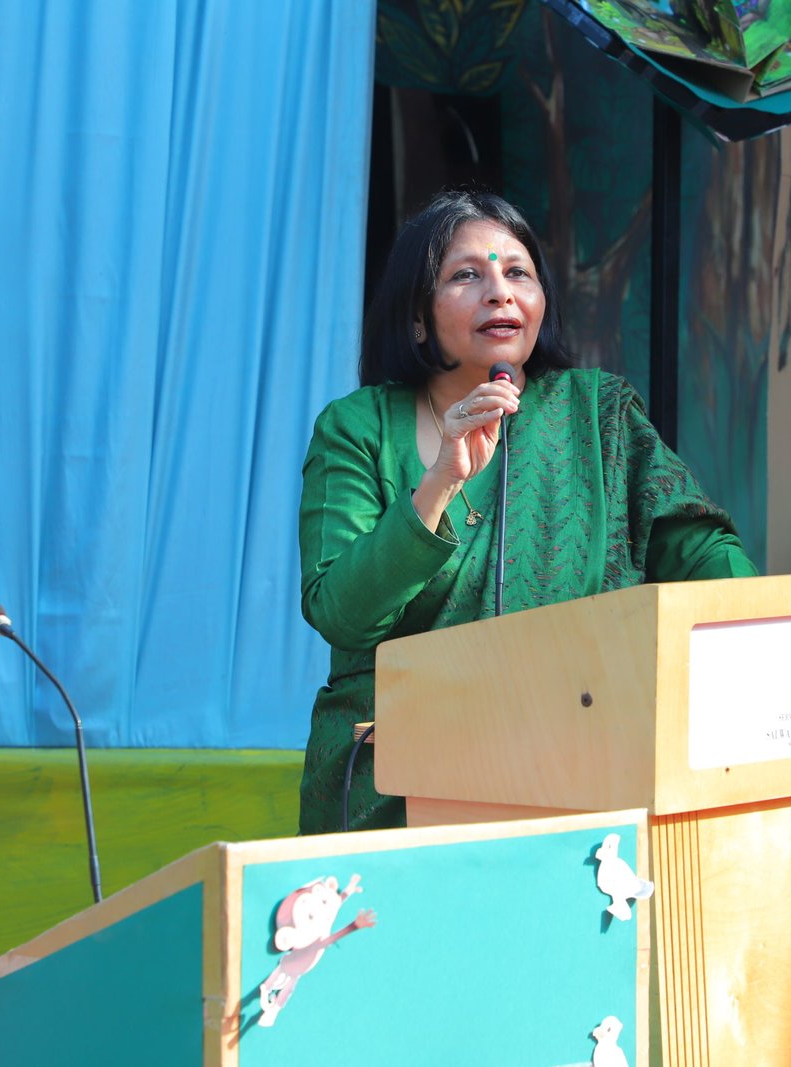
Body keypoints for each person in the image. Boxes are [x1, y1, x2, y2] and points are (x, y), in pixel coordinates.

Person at [298, 190, 756, 834]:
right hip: (394, 789)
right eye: (467, 275)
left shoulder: (596, 415)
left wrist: (771, 643)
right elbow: (342, 612)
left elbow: (699, 554)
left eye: (518, 272)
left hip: (575, 769)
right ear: (418, 316)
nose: (500, 292)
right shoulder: (358, 427)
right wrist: (441, 481)